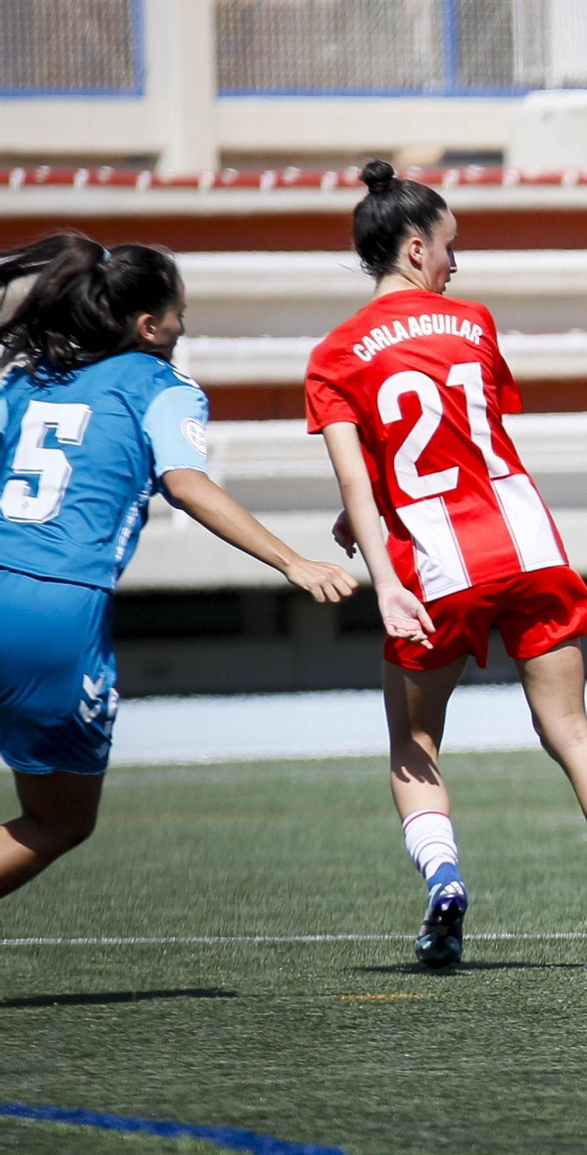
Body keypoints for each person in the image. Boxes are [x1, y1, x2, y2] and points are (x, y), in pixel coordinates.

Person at [305, 160, 587, 972]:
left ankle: (444, 882)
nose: (455, 266)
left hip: (435, 562)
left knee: (416, 736)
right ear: (413, 248)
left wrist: (387, 581)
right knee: (572, 730)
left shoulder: (333, 355)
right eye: (448, 249)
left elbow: (362, 480)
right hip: (527, 542)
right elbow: (473, 442)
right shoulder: (473, 323)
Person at [0, 233, 357, 899]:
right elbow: (187, 483)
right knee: (58, 821)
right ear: (146, 324)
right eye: (177, 312)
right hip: (52, 613)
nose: (182, 324)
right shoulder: (158, 386)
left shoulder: (26, 377)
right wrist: (293, 561)